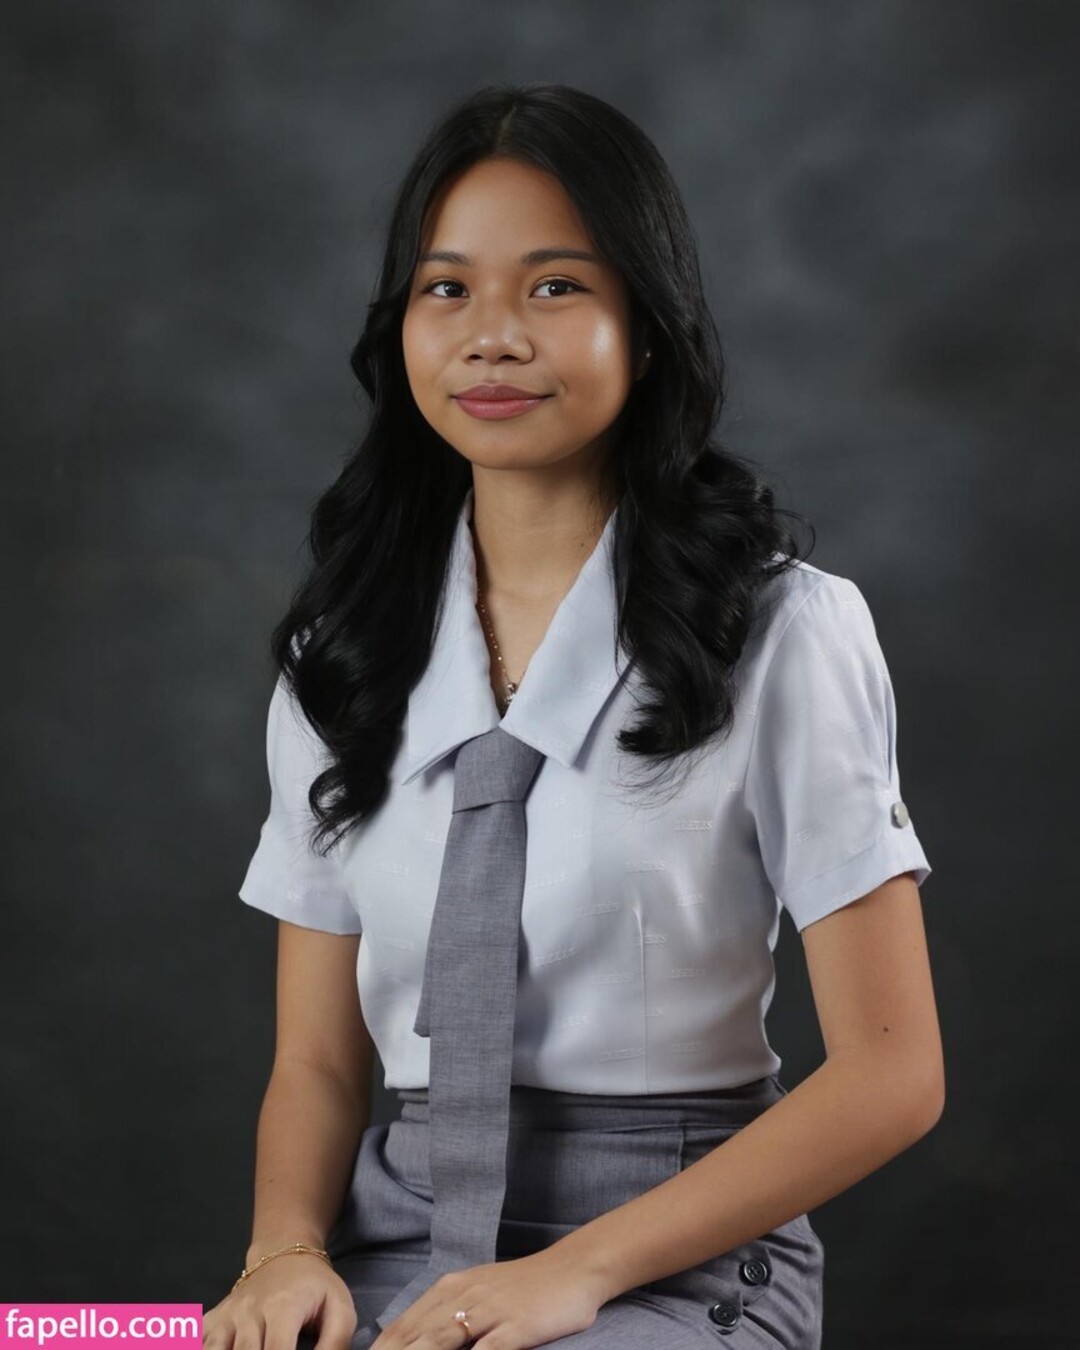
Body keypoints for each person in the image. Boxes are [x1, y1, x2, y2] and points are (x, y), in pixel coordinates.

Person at [202, 84, 944, 1350]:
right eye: (447, 289)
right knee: (60, 1336)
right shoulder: (345, 657)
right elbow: (318, 1066)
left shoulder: (784, 633)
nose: (491, 337)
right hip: (396, 1243)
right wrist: (283, 1254)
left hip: (679, 1256)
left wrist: (576, 1273)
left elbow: (894, 1076)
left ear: (646, 331)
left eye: (554, 287)